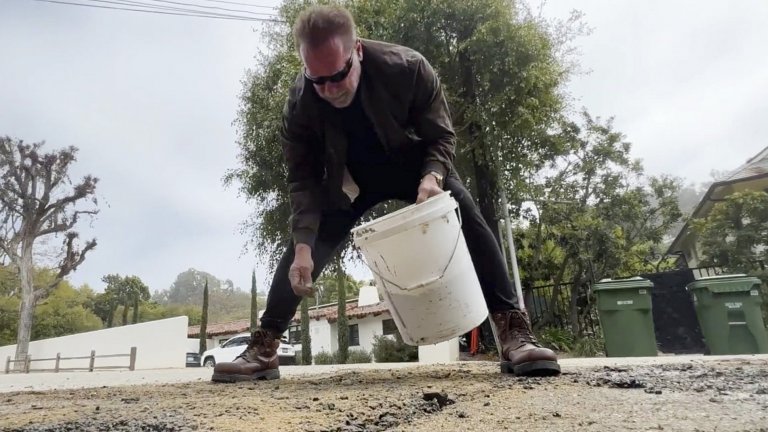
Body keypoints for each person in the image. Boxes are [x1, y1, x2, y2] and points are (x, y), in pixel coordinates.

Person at [211, 4, 560, 383]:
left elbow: (441, 135)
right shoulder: (300, 105)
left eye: (339, 75)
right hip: (350, 180)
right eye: (317, 79)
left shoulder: (408, 68)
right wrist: (303, 247)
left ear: (357, 50)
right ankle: (264, 346)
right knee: (302, 249)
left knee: (468, 217)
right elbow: (303, 180)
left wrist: (433, 177)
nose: (329, 90)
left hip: (415, 166)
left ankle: (514, 333)